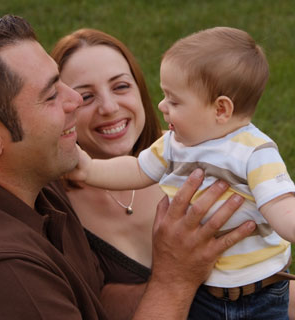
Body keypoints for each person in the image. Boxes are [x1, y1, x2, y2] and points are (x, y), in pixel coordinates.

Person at [0, 15, 256, 320]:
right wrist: (175, 277)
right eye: (53, 94)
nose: (75, 101)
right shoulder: (6, 272)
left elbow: (96, 296)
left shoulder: (37, 180)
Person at [71, 26, 295, 318]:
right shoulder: (174, 144)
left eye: (174, 101)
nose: (162, 105)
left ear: (221, 109)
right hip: (203, 292)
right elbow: (137, 168)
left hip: (261, 295)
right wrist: (89, 169)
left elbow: (282, 207)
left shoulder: (254, 152)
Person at [51, 28, 164, 283]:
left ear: (140, 89)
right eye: (86, 97)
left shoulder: (192, 154)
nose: (109, 108)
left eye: (121, 86)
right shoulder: (51, 203)